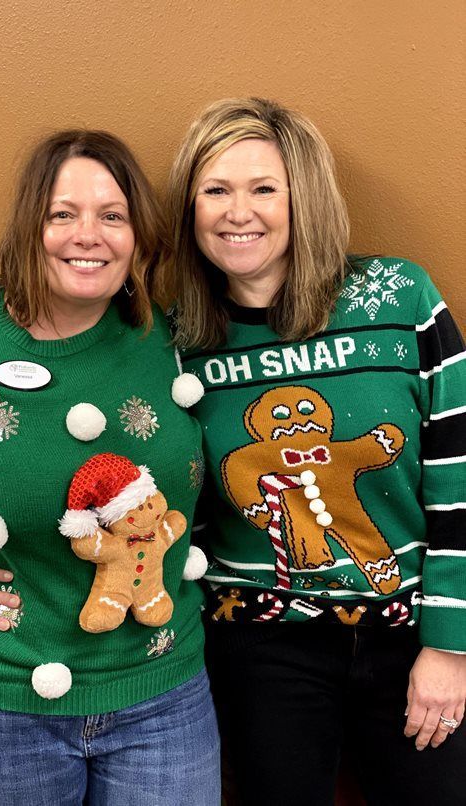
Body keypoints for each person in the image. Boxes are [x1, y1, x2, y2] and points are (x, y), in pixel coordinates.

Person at [0, 129, 220, 805]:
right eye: (63, 214)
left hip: (162, 695)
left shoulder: (174, 343)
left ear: (140, 240)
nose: (89, 235)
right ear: (29, 227)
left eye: (112, 216)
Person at [162, 97, 466, 806]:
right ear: (191, 208)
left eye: (265, 188)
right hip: (260, 645)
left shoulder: (400, 299)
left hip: (411, 631)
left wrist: (451, 646)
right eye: (216, 190)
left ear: (305, 199)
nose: (239, 212)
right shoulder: (179, 342)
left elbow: (459, 476)